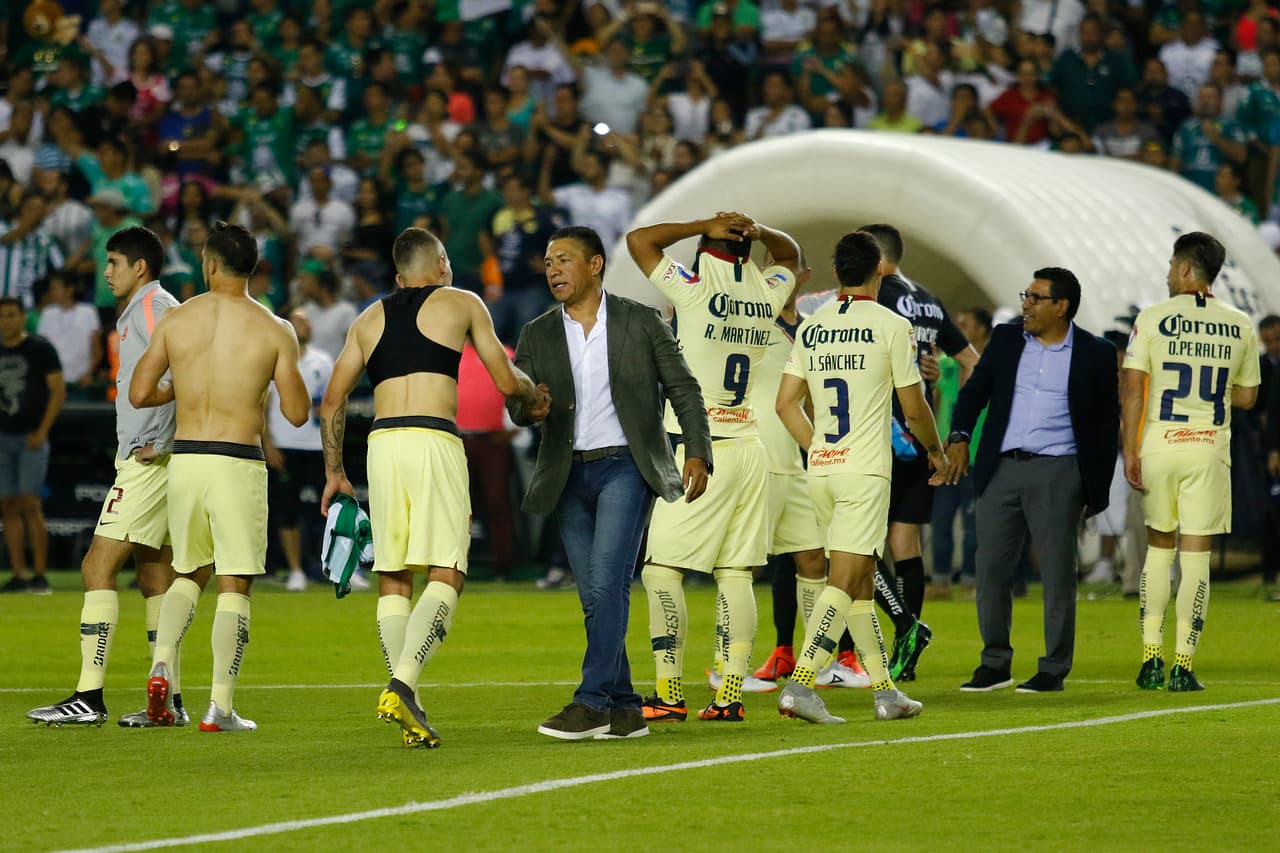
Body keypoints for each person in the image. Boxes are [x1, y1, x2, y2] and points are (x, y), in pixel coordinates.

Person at [319, 227, 544, 748]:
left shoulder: (366, 318)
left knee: (394, 574)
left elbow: (331, 402)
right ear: (442, 263)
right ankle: (403, 684)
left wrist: (335, 470)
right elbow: (507, 381)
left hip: (382, 445)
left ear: (398, 277)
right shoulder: (461, 302)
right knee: (448, 568)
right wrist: (535, 398)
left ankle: (408, 700)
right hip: (433, 439)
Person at [507, 225, 710, 740]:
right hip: (566, 472)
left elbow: (683, 387)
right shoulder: (536, 333)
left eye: (564, 259)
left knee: (604, 583)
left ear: (595, 264)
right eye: (549, 261)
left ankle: (590, 700)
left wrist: (698, 451)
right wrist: (529, 407)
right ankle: (624, 707)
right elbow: (518, 404)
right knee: (596, 596)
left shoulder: (641, 321)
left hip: (627, 466)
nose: (552, 269)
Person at [131, 221, 310, 731]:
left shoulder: (177, 320)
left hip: (186, 458)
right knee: (234, 581)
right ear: (251, 267)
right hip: (237, 460)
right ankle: (221, 707)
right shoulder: (275, 327)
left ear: (209, 264)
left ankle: (162, 664)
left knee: (188, 572)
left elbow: (140, 393)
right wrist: (261, 386)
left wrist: (185, 388)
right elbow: (296, 413)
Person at [626, 211, 797, 723]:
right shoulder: (765, 294)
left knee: (660, 571)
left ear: (703, 252)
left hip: (700, 447)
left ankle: (669, 691)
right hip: (750, 446)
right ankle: (729, 696)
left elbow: (640, 240)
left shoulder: (693, 291)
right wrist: (759, 230)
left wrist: (707, 221)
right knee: (736, 573)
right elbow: (790, 256)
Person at [774, 229, 948, 725]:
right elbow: (913, 407)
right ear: (879, 271)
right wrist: (934, 452)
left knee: (864, 583)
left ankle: (886, 692)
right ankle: (802, 685)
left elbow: (785, 404)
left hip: (824, 470)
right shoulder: (892, 325)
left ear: (837, 274)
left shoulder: (813, 326)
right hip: (865, 472)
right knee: (846, 579)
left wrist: (820, 450)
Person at [26, 226, 184, 726]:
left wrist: (164, 441)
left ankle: (88, 697)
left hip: (148, 461)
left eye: (114, 261)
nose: (106, 271)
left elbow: (189, 367)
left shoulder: (153, 307)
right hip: (151, 456)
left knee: (97, 567)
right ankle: (170, 702)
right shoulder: (147, 308)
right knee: (155, 574)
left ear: (140, 266)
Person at [949, 268, 1120, 693]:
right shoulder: (1006, 340)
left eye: (1036, 297)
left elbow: (1104, 426)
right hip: (1001, 468)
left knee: (1058, 574)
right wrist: (959, 436)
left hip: (1059, 471)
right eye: (1026, 294)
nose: (1025, 303)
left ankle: (1053, 667)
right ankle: (994, 663)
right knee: (989, 569)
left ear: (1061, 307)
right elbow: (974, 393)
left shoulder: (1095, 353)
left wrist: (1092, 489)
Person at [1122, 232, 1259, 691]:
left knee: (1159, 553)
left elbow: (1135, 389)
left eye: (1170, 265)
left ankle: (1149, 660)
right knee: (1196, 559)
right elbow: (1247, 396)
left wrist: (1130, 449)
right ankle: (1183, 666)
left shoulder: (1152, 318)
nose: (1167, 273)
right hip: (1207, 449)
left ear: (1183, 269)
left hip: (1159, 445)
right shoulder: (1239, 323)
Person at [859, 223, 979, 680]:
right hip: (919, 437)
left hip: (878, 432)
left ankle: (901, 629)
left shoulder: (877, 295)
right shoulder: (928, 299)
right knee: (905, 546)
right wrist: (954, 425)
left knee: (856, 547)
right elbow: (970, 360)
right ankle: (902, 658)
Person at [750, 253, 866, 689]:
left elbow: (813, 399)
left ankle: (819, 660)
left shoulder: (811, 333)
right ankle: (739, 664)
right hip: (758, 455)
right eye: (768, 271)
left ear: (804, 275)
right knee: (744, 564)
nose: (775, 279)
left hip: (806, 461)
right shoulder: (751, 325)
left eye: (784, 271)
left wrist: (823, 447)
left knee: (813, 557)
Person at [263, 307, 334, 593]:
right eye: (300, 321)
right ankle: (295, 571)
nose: (306, 325)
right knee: (287, 512)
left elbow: (334, 403)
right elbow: (262, 405)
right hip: (285, 446)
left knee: (332, 511)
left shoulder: (323, 361)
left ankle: (341, 568)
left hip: (317, 446)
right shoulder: (273, 360)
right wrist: (268, 443)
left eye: (307, 321)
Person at [0, 297, 65, 594]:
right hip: (3, 436)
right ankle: (18, 574)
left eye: (12, 315)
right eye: (2, 316)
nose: (7, 321)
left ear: (23, 317)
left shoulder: (40, 349)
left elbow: (58, 390)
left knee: (30, 503)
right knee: (8, 506)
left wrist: (42, 430)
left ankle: (39, 574)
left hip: (30, 436)